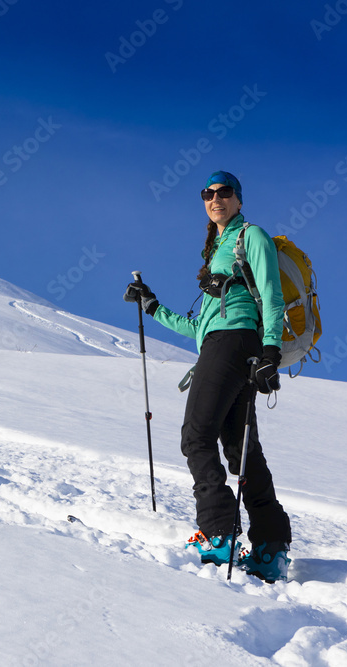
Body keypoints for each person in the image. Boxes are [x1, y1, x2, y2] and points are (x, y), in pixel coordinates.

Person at [124, 170, 292, 583]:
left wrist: (271, 347)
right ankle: (270, 546)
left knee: (196, 435)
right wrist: (153, 306)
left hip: (236, 343)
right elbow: (200, 326)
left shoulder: (250, 236)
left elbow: (271, 293)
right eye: (208, 193)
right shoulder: (217, 249)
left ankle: (218, 531)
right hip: (224, 343)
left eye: (224, 192)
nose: (216, 198)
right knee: (239, 448)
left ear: (238, 199)